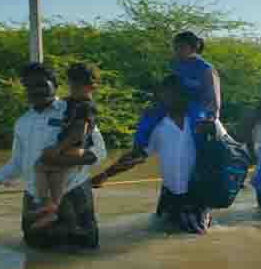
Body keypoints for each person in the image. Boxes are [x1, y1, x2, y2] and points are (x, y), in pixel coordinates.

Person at [0, 63, 107, 249]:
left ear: (54, 85)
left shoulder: (73, 109)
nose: (36, 91)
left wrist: (61, 160)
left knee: (81, 257)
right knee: (35, 256)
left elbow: (99, 152)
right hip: (34, 197)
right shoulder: (23, 122)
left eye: (42, 85)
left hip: (74, 195)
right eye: (29, 87)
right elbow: (16, 165)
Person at [92, 75, 220, 234]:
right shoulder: (157, 125)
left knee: (196, 235)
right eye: (165, 94)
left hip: (197, 194)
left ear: (185, 94)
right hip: (170, 194)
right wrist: (105, 174)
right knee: (158, 230)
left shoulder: (205, 122)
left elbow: (225, 152)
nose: (168, 98)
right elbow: (136, 156)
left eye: (173, 93)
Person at [32, 63, 99, 229]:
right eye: (71, 85)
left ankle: (48, 206)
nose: (73, 90)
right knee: (56, 175)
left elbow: (79, 132)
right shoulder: (74, 102)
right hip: (73, 148)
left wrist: (58, 148)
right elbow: (65, 107)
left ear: (91, 87)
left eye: (77, 87)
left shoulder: (85, 106)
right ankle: (51, 210)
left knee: (40, 165)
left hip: (73, 147)